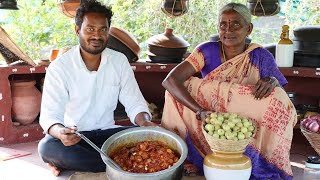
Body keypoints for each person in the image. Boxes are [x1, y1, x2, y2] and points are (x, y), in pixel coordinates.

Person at [161, 2, 297, 180]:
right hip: (210, 117)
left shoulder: (260, 56)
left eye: (235, 24)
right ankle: (193, 158)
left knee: (277, 95)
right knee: (178, 89)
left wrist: (272, 81)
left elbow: (279, 97)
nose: (228, 30)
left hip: (242, 122)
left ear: (249, 29)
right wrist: (200, 111)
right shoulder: (207, 50)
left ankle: (262, 162)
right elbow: (170, 80)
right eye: (223, 24)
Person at [38, 1, 158, 176]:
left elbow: (135, 102)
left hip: (109, 135)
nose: (97, 35)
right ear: (77, 30)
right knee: (47, 147)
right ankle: (122, 164)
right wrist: (61, 132)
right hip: (77, 137)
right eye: (90, 29)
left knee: (145, 136)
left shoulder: (119, 61)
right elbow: (50, 116)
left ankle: (107, 163)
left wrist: (145, 123)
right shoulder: (60, 68)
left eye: (103, 29)